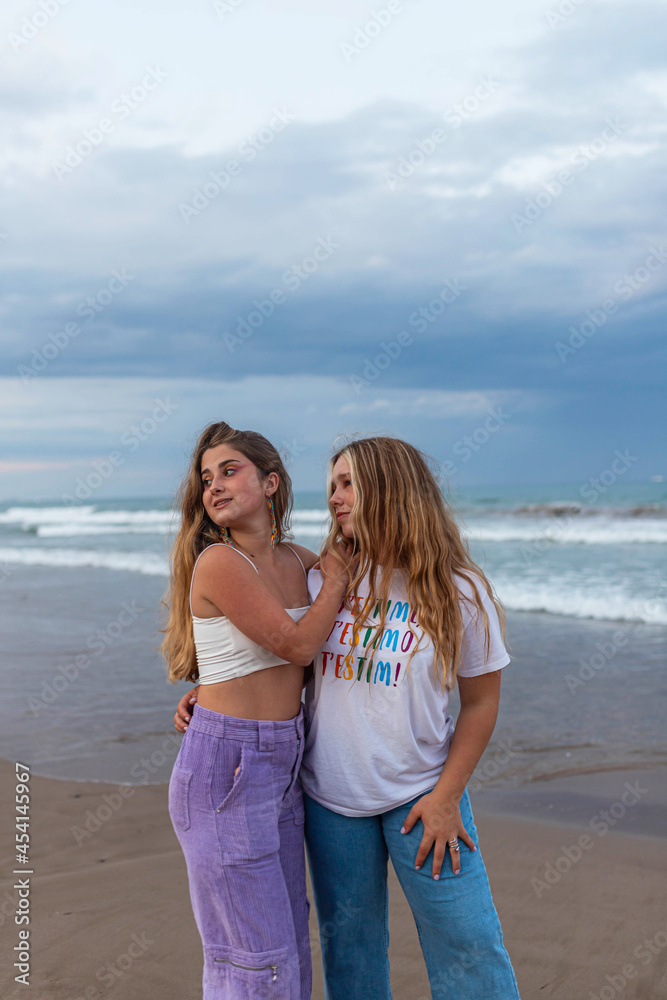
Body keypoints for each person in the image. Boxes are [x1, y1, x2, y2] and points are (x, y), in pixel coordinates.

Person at [176, 434, 521, 1000]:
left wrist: (445, 796)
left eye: (348, 484)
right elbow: (282, 659)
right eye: (332, 485)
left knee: (468, 941)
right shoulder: (321, 579)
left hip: (423, 798)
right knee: (351, 950)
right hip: (329, 801)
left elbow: (481, 704)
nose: (335, 498)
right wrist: (207, 693)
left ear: (392, 488)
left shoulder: (461, 591)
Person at [162, 421, 355, 1000]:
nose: (214, 486)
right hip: (228, 763)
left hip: (283, 761)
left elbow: (314, 655)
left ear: (271, 483)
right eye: (206, 478)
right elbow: (297, 646)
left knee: (289, 942)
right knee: (255, 958)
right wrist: (337, 584)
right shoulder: (218, 564)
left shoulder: (301, 561)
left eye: (229, 470)